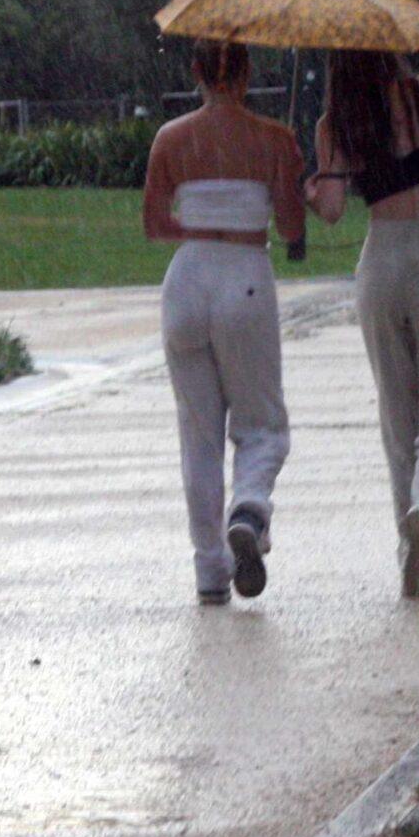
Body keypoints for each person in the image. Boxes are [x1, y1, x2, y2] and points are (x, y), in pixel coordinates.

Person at [307, 49, 419, 600]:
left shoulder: (336, 121)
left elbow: (334, 207)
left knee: (396, 413)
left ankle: (410, 551)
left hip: (380, 262)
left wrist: (313, 193)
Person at [143, 39, 307, 606]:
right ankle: (251, 507)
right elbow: (290, 229)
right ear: (247, 73)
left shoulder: (171, 138)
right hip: (245, 277)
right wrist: (290, 174)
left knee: (199, 436)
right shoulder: (274, 138)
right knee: (263, 425)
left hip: (185, 282)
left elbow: (155, 224)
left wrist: (201, 224)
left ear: (196, 72)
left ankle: (210, 570)